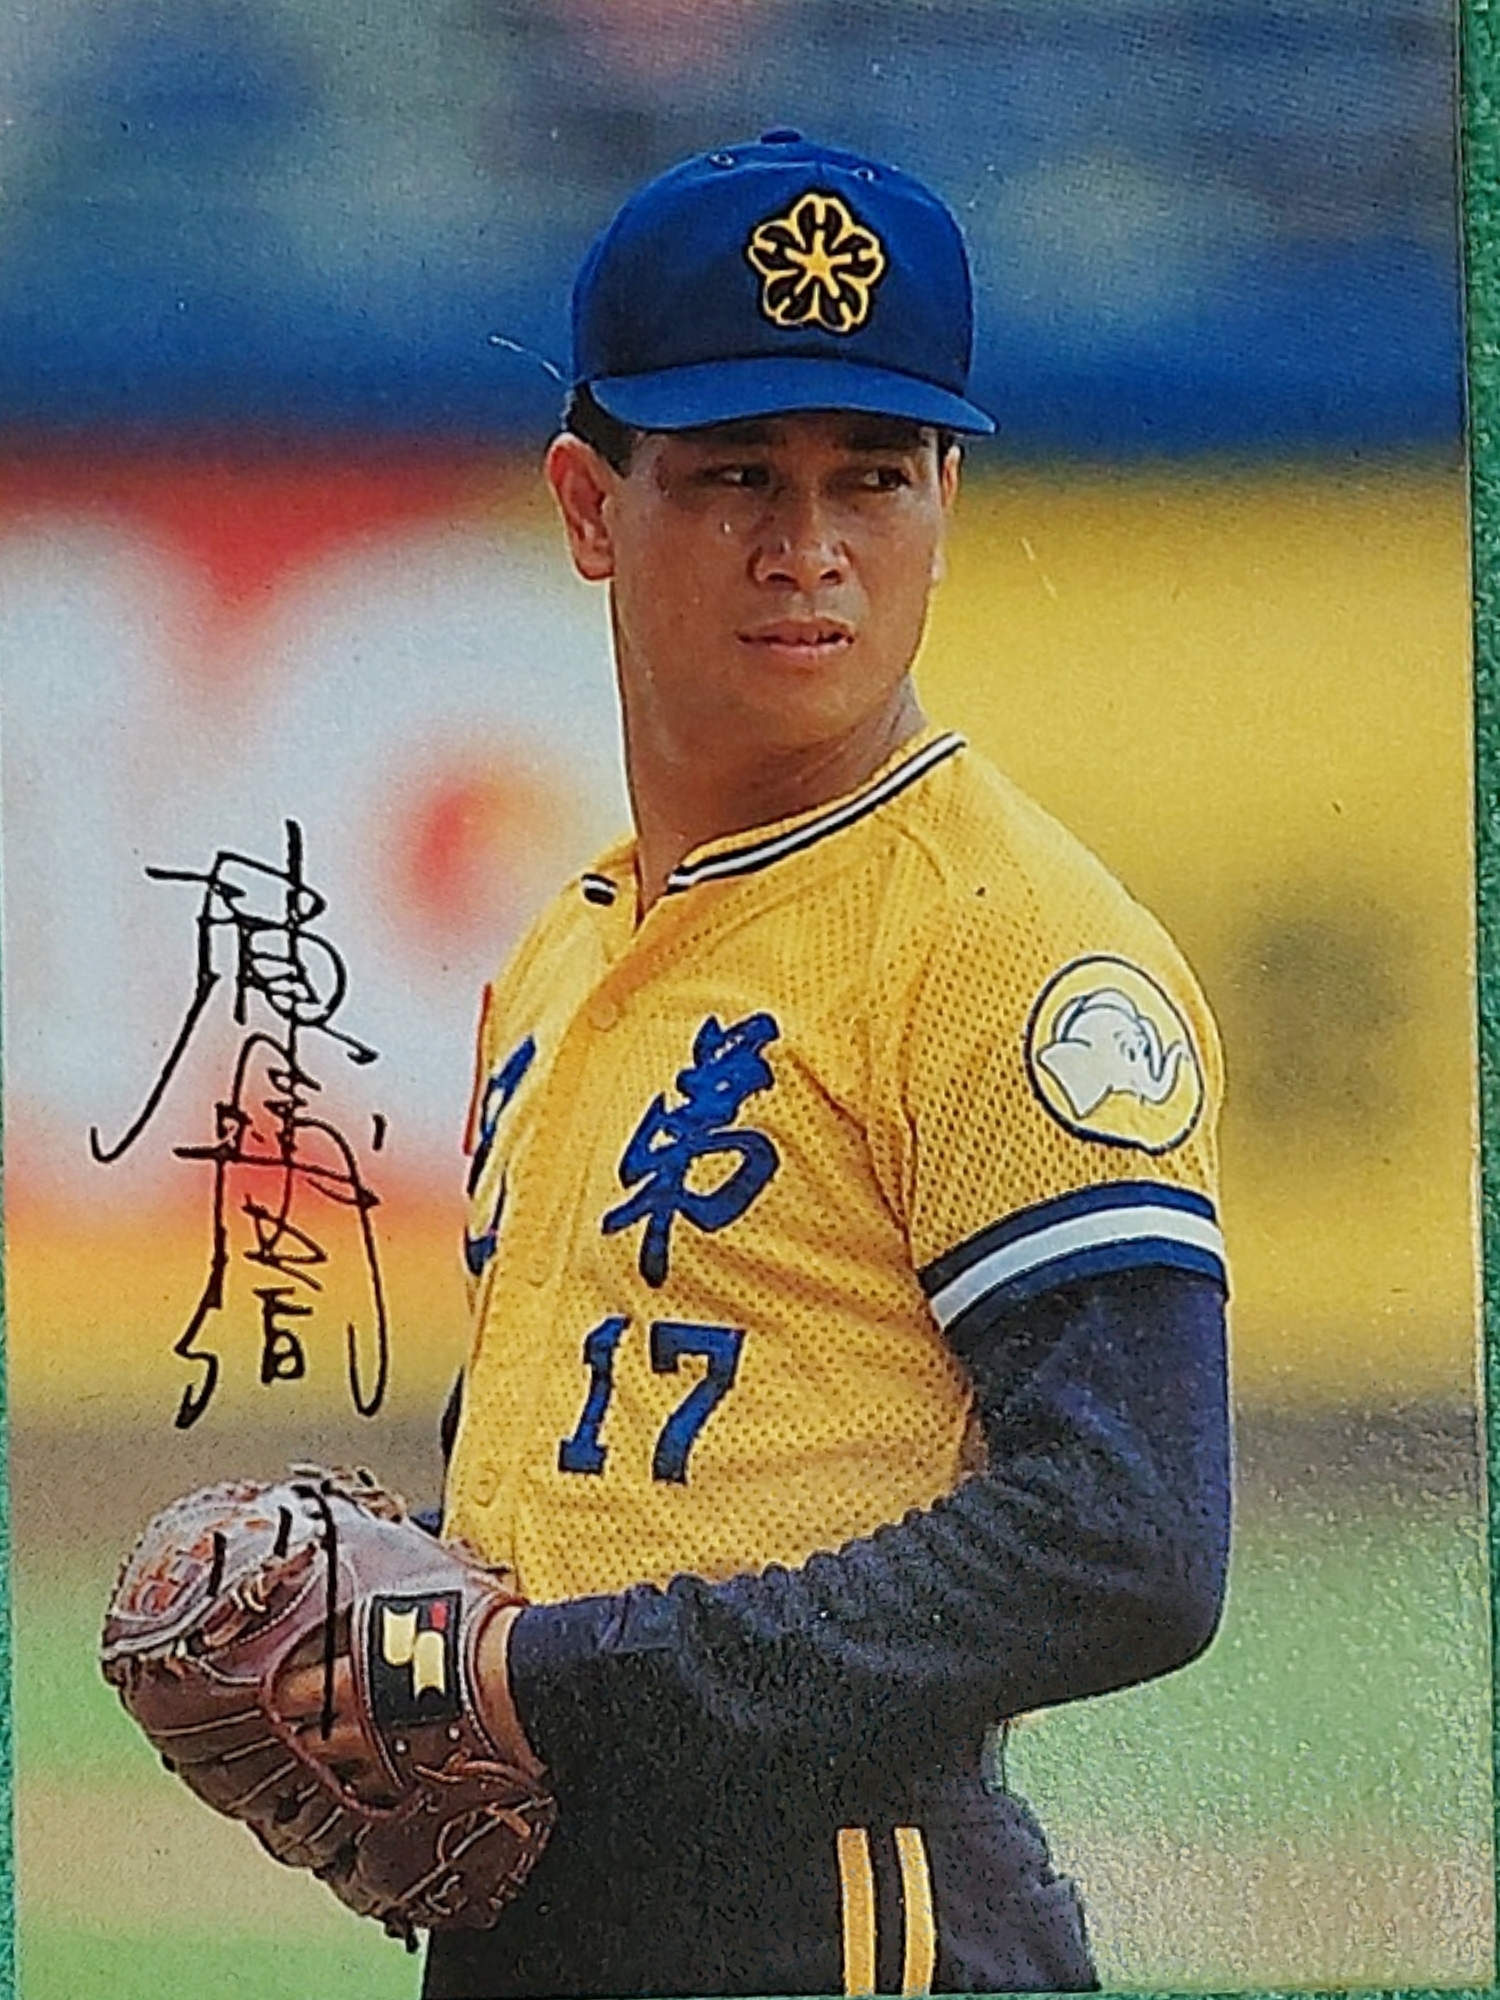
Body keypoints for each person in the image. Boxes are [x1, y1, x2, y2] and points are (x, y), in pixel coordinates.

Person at [427, 130, 1231, 1998]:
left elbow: (1126, 1537)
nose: (810, 550)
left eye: (873, 472)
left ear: (946, 493)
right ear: (588, 505)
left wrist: (545, 1680)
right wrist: (402, 1640)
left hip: (852, 1911)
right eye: (735, 477)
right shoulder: (565, 954)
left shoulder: (1003, 939)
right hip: (549, 1906)